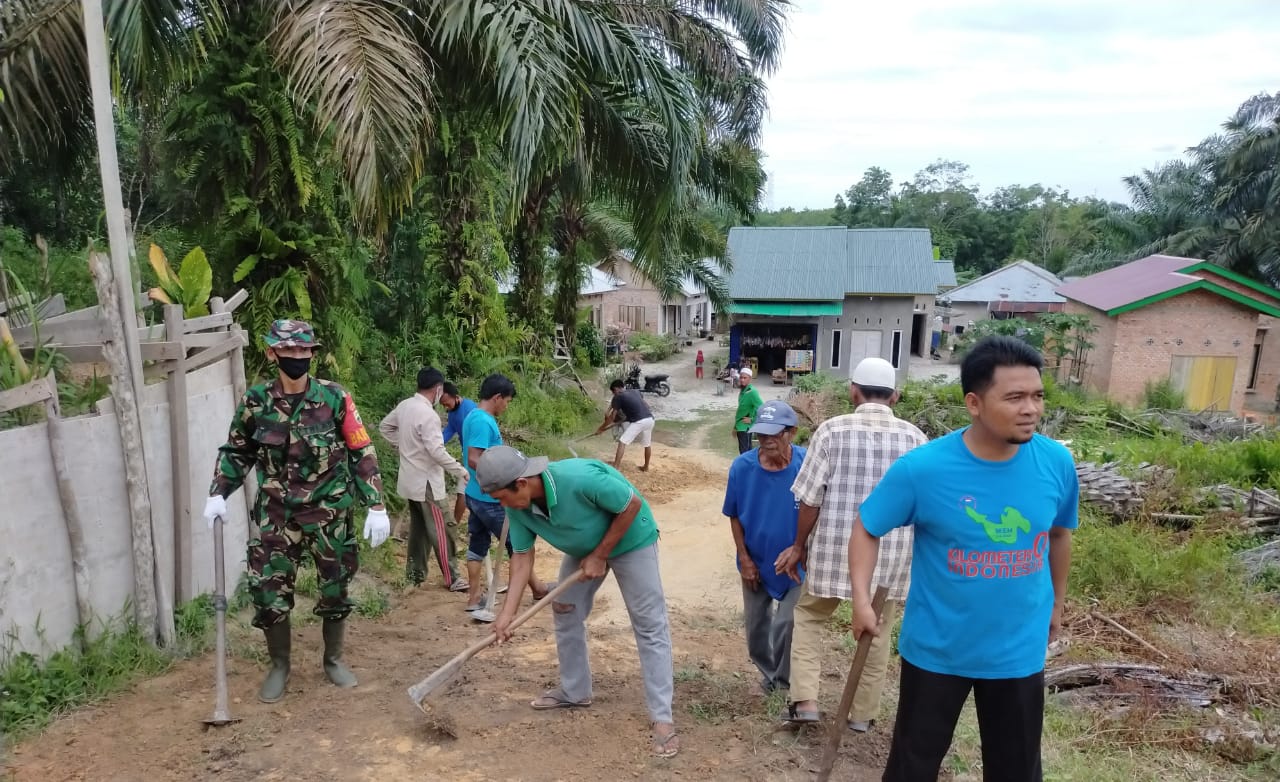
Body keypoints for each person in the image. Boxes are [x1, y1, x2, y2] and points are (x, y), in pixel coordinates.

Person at [850, 336, 1078, 781]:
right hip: (938, 649)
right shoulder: (924, 469)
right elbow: (867, 527)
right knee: (912, 767)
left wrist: (1058, 602)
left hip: (1018, 651)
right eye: (1014, 397)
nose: (1030, 408)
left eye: (1036, 396)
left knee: (1016, 770)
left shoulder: (1056, 462)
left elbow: (1058, 534)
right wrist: (861, 599)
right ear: (974, 403)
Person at [201, 319, 389, 703]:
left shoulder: (336, 398)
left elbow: (361, 450)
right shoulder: (256, 402)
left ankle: (333, 659)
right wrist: (219, 491)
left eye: (305, 351)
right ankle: (279, 665)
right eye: (290, 351)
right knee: (268, 592)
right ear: (273, 353)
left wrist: (377, 504)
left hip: (329, 513)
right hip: (276, 514)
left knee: (335, 589)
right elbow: (238, 452)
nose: (298, 358)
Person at [481, 446, 680, 759]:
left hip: (631, 539)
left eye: (500, 497)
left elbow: (631, 504)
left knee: (649, 624)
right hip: (582, 548)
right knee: (564, 609)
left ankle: (662, 717)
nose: (500, 505)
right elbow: (521, 558)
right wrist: (505, 616)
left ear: (521, 483)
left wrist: (600, 555)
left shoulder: (579, 478)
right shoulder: (517, 507)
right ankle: (575, 691)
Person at [774, 357, 927, 727]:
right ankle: (862, 715)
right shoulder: (917, 439)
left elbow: (810, 500)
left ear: (852, 391)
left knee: (809, 616)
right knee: (876, 632)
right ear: (896, 396)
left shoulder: (830, 431)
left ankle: (805, 702)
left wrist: (799, 546)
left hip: (833, 550)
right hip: (889, 558)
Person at [722, 400, 806, 696]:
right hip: (755, 559)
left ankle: (783, 683)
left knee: (787, 622)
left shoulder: (807, 465)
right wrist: (744, 558)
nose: (767, 441)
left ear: (792, 432)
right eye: (761, 434)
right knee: (756, 628)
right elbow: (734, 514)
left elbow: (820, 511)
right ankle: (769, 675)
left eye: (775, 434)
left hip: (797, 563)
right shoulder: (742, 468)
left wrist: (803, 549)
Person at [461, 374, 549, 616]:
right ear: (497, 398)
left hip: (476, 493)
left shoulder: (473, 416)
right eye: (507, 401)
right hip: (490, 498)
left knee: (478, 542)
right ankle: (538, 589)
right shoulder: (482, 421)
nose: (506, 406)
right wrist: (505, 478)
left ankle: (473, 598)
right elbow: (474, 458)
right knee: (517, 544)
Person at [378, 367, 471, 591]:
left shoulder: (405, 406)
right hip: (427, 483)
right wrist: (460, 470)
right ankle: (453, 577)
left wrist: (403, 446)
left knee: (419, 530)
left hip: (410, 481)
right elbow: (436, 451)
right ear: (438, 389)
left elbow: (385, 427)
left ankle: (415, 575)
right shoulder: (428, 414)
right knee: (442, 528)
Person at [595, 379, 656, 471]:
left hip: (639, 421)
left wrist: (601, 428)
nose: (614, 394)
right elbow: (646, 406)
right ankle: (646, 467)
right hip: (650, 419)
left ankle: (616, 467)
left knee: (622, 442)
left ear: (617, 388)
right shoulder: (635, 391)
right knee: (647, 444)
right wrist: (629, 417)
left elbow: (612, 417)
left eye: (613, 391)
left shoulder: (618, 396)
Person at [440, 382, 477, 527]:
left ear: (455, 397)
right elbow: (450, 430)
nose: (445, 406)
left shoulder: (470, 408)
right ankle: (455, 522)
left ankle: (454, 523)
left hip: (476, 455)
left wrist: (470, 455)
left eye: (446, 402)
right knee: (465, 489)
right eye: (442, 404)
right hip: (468, 454)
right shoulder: (453, 413)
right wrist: (436, 443)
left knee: (463, 489)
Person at [734, 367, 763, 454]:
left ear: (750, 379)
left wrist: (753, 419)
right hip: (740, 426)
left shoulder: (752, 392)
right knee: (747, 452)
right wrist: (735, 427)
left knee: (745, 453)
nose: (742, 380)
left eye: (745, 378)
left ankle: (746, 467)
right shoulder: (743, 391)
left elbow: (761, 407)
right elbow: (742, 410)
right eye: (741, 377)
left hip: (745, 428)